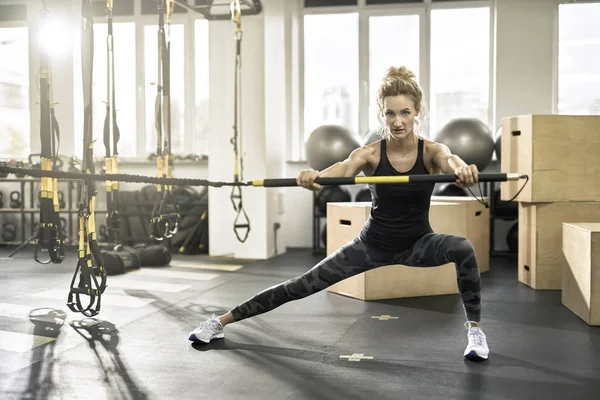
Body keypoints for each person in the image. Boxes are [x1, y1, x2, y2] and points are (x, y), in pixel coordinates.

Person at [188, 66, 489, 361]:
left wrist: (462, 169)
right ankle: (220, 322)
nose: (398, 121)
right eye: (390, 113)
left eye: (405, 113)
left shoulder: (430, 151)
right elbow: (343, 170)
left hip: (418, 244)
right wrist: (315, 177)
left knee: (462, 248)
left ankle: (475, 331)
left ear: (417, 112)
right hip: (371, 246)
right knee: (301, 285)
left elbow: (450, 160)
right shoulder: (370, 153)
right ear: (381, 114)